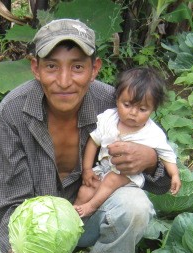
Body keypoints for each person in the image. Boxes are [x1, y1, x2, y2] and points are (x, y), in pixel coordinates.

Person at [0, 18, 170, 253]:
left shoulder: (114, 104)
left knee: (135, 207)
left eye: (77, 67)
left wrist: (151, 160)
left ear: (95, 68)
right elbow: (5, 200)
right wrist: (22, 248)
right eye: (52, 67)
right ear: (35, 68)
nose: (64, 80)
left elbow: (163, 182)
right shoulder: (13, 112)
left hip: (90, 211)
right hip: (37, 226)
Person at [74, 67, 181, 218]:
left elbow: (167, 155)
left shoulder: (153, 133)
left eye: (142, 109)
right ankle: (73, 221)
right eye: (127, 105)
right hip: (103, 170)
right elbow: (93, 142)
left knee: (112, 179)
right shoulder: (108, 119)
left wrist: (175, 174)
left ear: (153, 109)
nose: (133, 113)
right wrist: (87, 170)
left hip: (127, 177)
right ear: (117, 99)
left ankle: (91, 207)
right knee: (85, 191)